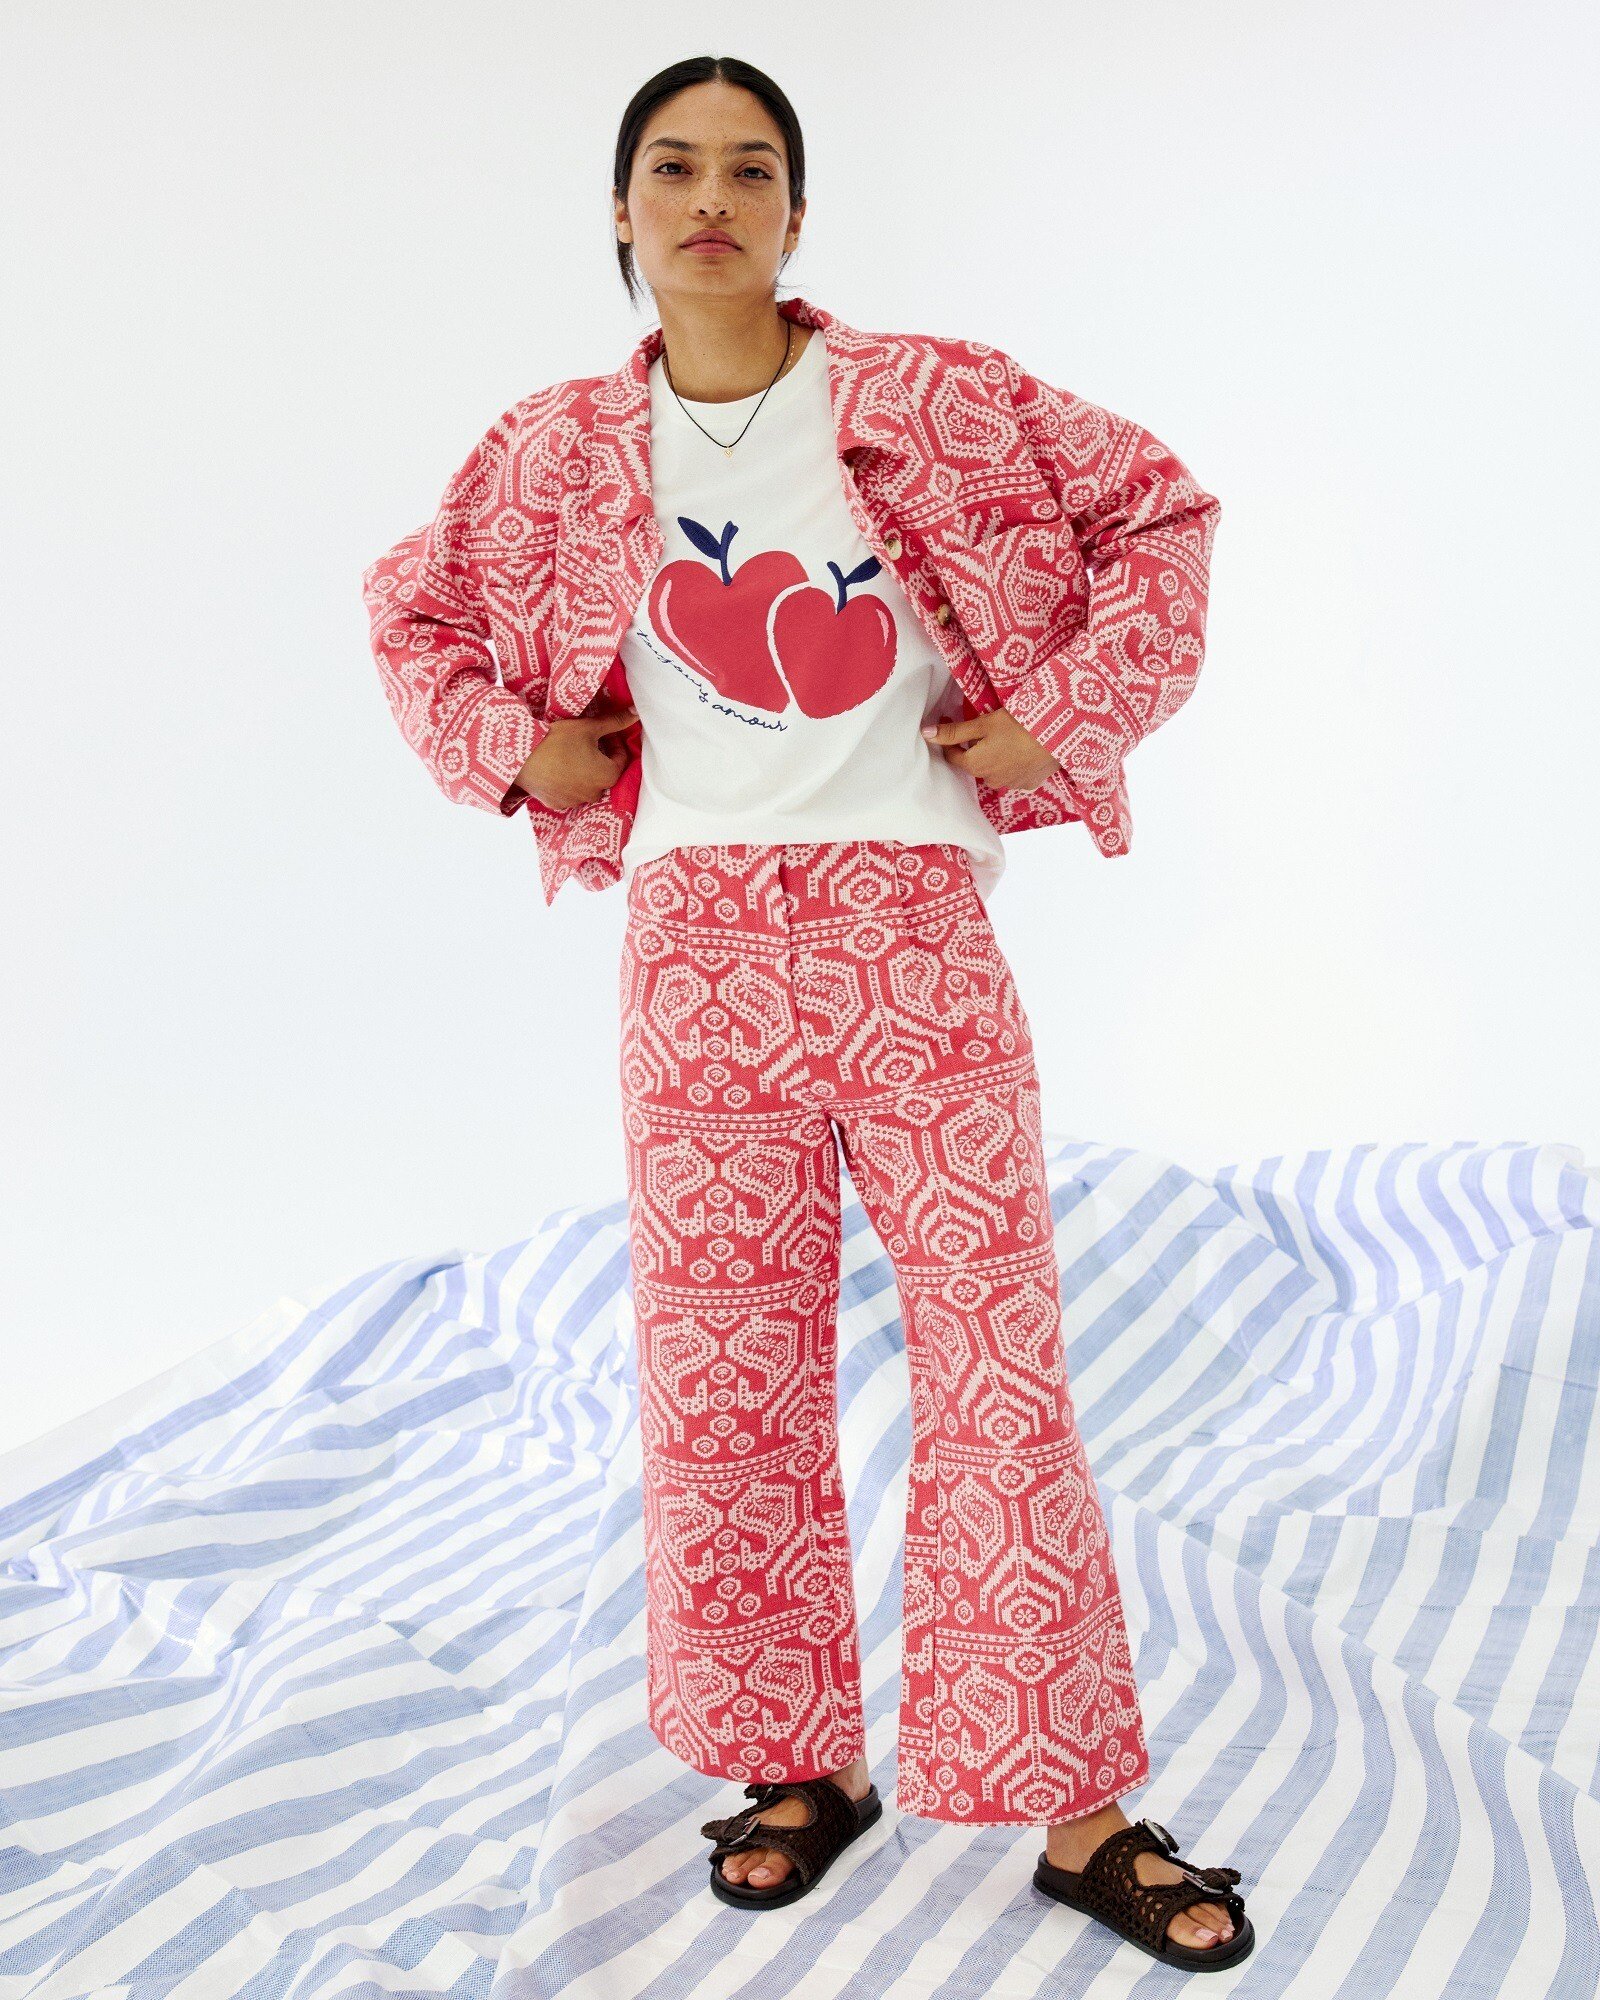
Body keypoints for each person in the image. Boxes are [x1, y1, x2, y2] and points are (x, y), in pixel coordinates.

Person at [361, 52, 1251, 1974]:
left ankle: (1078, 1808)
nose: (711, 198)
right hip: (692, 949)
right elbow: (411, 612)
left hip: (906, 926)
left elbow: (1162, 513)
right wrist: (517, 750)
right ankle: (797, 1763)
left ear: (795, 212)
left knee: (999, 1359)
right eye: (673, 167)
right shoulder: (550, 451)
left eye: (750, 168)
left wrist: (1065, 714)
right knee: (722, 1371)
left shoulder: (931, 396)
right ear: (619, 210)